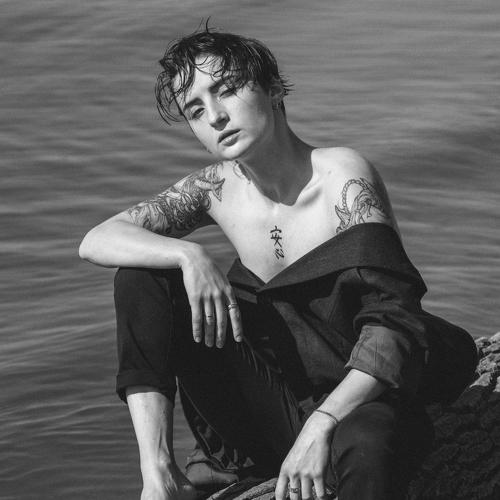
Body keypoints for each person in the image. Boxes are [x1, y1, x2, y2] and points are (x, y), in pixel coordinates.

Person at [79, 27, 477, 500]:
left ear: (272, 88)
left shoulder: (341, 178)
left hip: (360, 397)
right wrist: (188, 253)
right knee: (142, 276)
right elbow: (97, 239)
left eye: (227, 89)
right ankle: (160, 476)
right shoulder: (214, 189)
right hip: (271, 404)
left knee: (367, 441)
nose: (216, 116)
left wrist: (321, 425)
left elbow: (392, 323)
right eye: (196, 110)